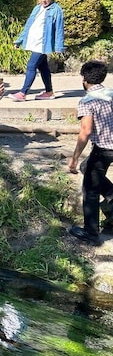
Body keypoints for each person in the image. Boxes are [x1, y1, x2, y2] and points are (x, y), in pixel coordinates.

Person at [67, 60, 113, 246]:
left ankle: (91, 233)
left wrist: (74, 158)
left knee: (90, 189)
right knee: (88, 167)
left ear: (84, 79)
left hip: (104, 149)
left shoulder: (87, 101)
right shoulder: (111, 93)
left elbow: (85, 132)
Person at [9, 0, 65, 102]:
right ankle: (49, 92)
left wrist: (59, 46)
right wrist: (20, 40)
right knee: (43, 67)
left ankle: (23, 93)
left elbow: (59, 29)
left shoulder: (56, 9)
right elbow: (28, 26)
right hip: (34, 42)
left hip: (42, 44)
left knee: (31, 66)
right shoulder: (37, 8)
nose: (44, 0)